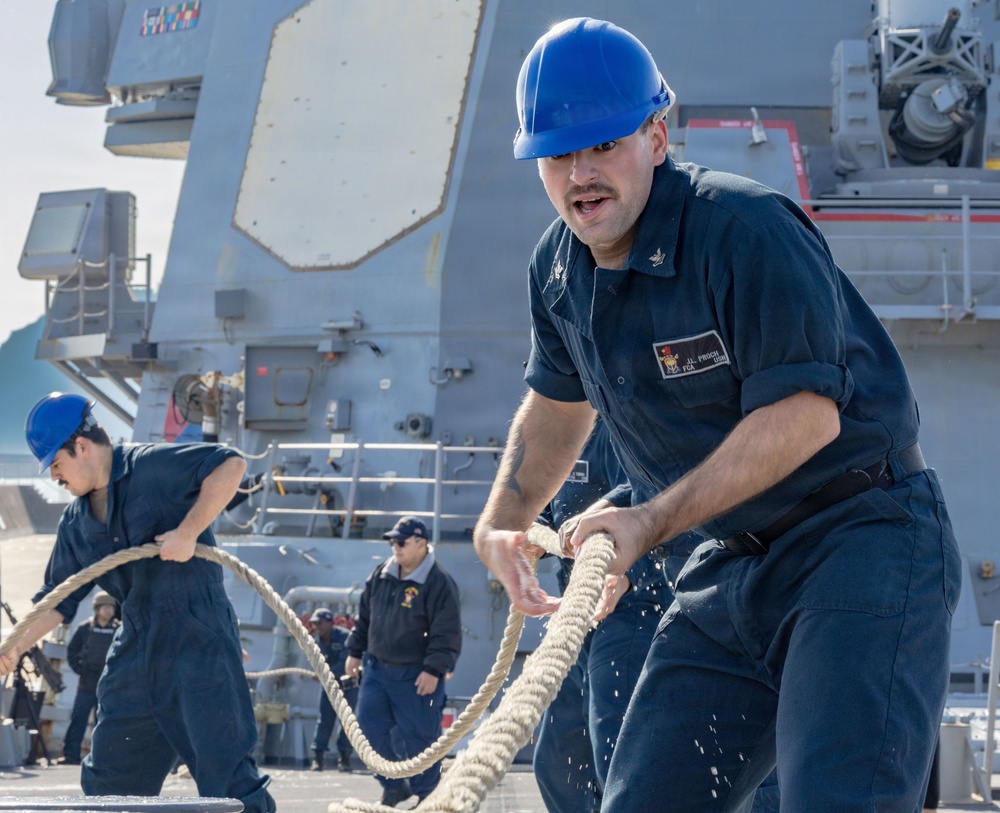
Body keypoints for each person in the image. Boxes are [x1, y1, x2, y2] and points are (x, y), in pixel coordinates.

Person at [473, 17, 960, 813]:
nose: (580, 173)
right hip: (730, 561)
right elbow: (559, 405)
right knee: (648, 799)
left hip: (861, 539)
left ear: (657, 136)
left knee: (839, 799)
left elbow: (805, 416)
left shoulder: (745, 230)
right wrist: (503, 518)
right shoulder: (556, 269)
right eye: (558, 153)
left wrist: (646, 522)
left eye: (604, 145)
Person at [0, 393, 274, 812]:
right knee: (111, 778)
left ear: (82, 447)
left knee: (226, 772)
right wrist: (15, 646)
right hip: (137, 644)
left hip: (197, 634)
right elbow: (57, 600)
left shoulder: (152, 465)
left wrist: (188, 531)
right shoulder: (75, 523)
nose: (54, 476)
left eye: (56, 464)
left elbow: (231, 463)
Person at [529, 419, 672, 813]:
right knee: (557, 758)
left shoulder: (621, 426)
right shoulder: (558, 438)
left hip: (632, 609)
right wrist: (532, 535)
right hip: (579, 612)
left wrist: (629, 573)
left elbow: (650, 491)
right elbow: (545, 507)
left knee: (617, 752)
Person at [344, 516, 461, 808]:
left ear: (421, 543)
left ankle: (428, 798)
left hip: (417, 675)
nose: (395, 547)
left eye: (401, 542)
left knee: (421, 741)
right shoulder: (380, 575)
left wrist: (434, 669)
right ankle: (393, 786)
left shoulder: (439, 583)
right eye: (392, 542)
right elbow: (365, 619)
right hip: (377, 670)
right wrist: (354, 652)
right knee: (367, 731)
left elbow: (446, 632)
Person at [60, 591, 120, 765]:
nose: (109, 611)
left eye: (111, 607)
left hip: (108, 683)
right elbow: (72, 651)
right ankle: (70, 754)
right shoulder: (85, 628)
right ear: (98, 608)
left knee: (103, 722)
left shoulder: (118, 629)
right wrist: (80, 669)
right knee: (78, 718)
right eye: (106, 607)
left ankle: (101, 757)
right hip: (87, 682)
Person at [308, 607, 357, 773]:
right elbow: (317, 662)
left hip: (348, 686)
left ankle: (344, 759)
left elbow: (346, 664)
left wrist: (323, 673)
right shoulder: (317, 642)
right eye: (314, 624)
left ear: (329, 622)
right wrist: (318, 672)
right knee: (324, 720)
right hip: (329, 686)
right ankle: (318, 759)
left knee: (347, 723)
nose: (317, 627)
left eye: (320, 623)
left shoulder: (345, 637)